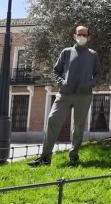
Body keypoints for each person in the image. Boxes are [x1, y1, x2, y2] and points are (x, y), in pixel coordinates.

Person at [28, 26, 100, 167]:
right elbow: (56, 71)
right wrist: (62, 82)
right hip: (64, 94)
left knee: (79, 127)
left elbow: (98, 74)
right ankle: (45, 158)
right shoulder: (66, 52)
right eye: (79, 34)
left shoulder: (93, 54)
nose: (82, 37)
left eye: (85, 35)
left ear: (89, 37)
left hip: (84, 96)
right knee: (52, 120)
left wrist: (90, 83)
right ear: (74, 36)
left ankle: (73, 158)